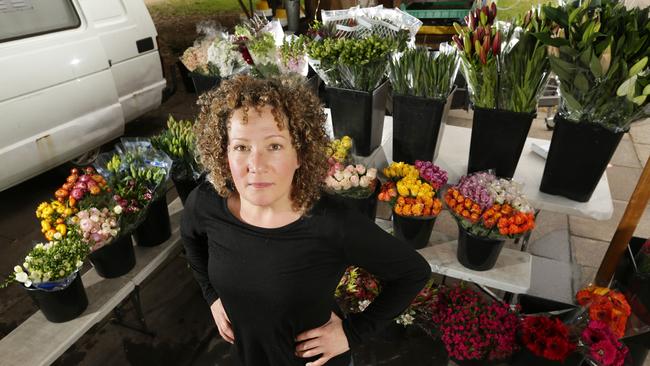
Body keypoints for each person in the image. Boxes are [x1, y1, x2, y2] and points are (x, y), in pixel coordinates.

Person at [181, 75, 430, 366]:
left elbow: (412, 272)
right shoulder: (207, 204)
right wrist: (212, 296)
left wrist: (353, 333)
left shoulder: (332, 223)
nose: (256, 164)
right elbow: (191, 239)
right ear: (224, 155)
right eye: (241, 147)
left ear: (300, 154)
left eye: (274, 146)